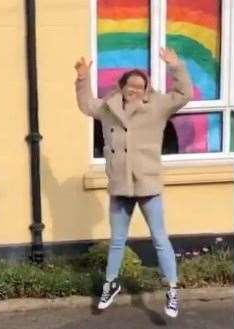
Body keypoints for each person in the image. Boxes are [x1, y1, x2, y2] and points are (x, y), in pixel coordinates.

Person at [74, 48, 192, 318]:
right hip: (119, 184)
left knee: (160, 238)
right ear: (123, 86)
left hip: (147, 184)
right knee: (117, 241)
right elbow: (85, 105)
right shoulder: (109, 107)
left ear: (146, 89)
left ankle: (172, 289)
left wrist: (176, 66)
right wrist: (82, 78)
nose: (135, 90)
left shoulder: (158, 106)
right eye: (131, 85)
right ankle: (110, 283)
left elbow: (184, 95)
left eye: (140, 86)